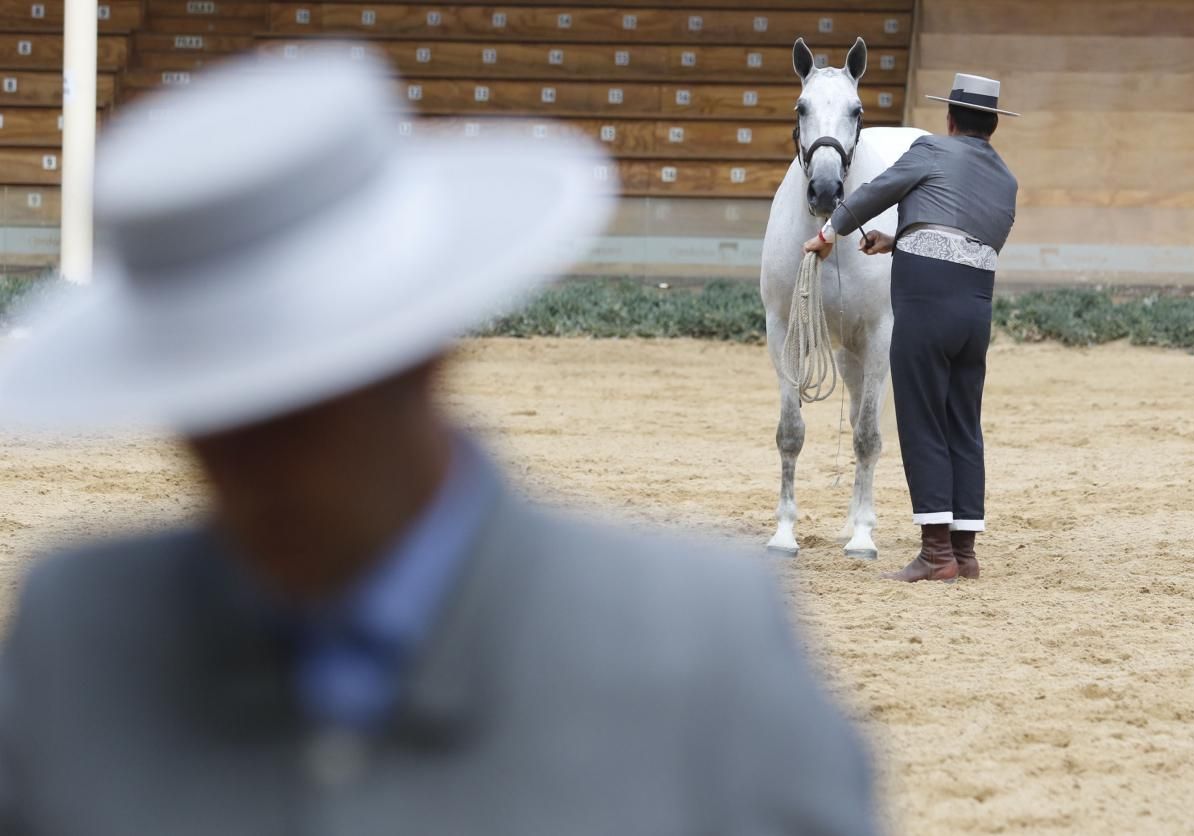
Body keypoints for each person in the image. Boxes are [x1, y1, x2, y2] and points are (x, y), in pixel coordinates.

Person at [0, 52, 880, 834]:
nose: (251, 461)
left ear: (427, 352)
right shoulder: (68, 637)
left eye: (315, 400)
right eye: (208, 406)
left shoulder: (705, 648)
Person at [803, 74, 1020, 583]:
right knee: (963, 423)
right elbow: (964, 237)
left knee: (921, 419)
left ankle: (936, 554)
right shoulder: (1006, 179)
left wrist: (828, 231)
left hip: (926, 304)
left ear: (949, 119)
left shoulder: (929, 150)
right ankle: (964, 553)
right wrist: (899, 240)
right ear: (991, 125)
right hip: (975, 308)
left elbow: (877, 191)